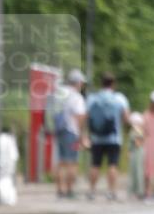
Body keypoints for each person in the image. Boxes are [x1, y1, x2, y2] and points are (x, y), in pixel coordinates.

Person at [86, 72, 131, 200]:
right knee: (112, 165)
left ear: (102, 83)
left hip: (96, 137)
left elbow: (86, 116)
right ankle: (111, 192)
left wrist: (85, 133)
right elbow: (127, 118)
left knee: (95, 165)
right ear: (113, 84)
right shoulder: (119, 98)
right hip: (114, 138)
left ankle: (92, 191)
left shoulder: (93, 98)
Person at [52, 69, 87, 198]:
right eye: (82, 83)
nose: (82, 85)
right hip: (72, 131)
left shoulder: (59, 93)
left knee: (61, 162)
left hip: (59, 130)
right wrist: (82, 135)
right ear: (77, 82)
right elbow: (80, 116)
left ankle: (59, 190)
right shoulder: (76, 97)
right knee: (72, 162)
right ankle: (70, 190)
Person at [127, 112, 145, 199]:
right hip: (135, 152)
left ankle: (138, 191)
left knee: (137, 171)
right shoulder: (136, 131)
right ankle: (136, 191)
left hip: (137, 152)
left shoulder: (137, 131)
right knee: (134, 172)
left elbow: (138, 143)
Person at [143, 91, 154, 201]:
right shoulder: (146, 115)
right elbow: (143, 131)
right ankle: (147, 192)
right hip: (149, 144)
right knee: (148, 169)